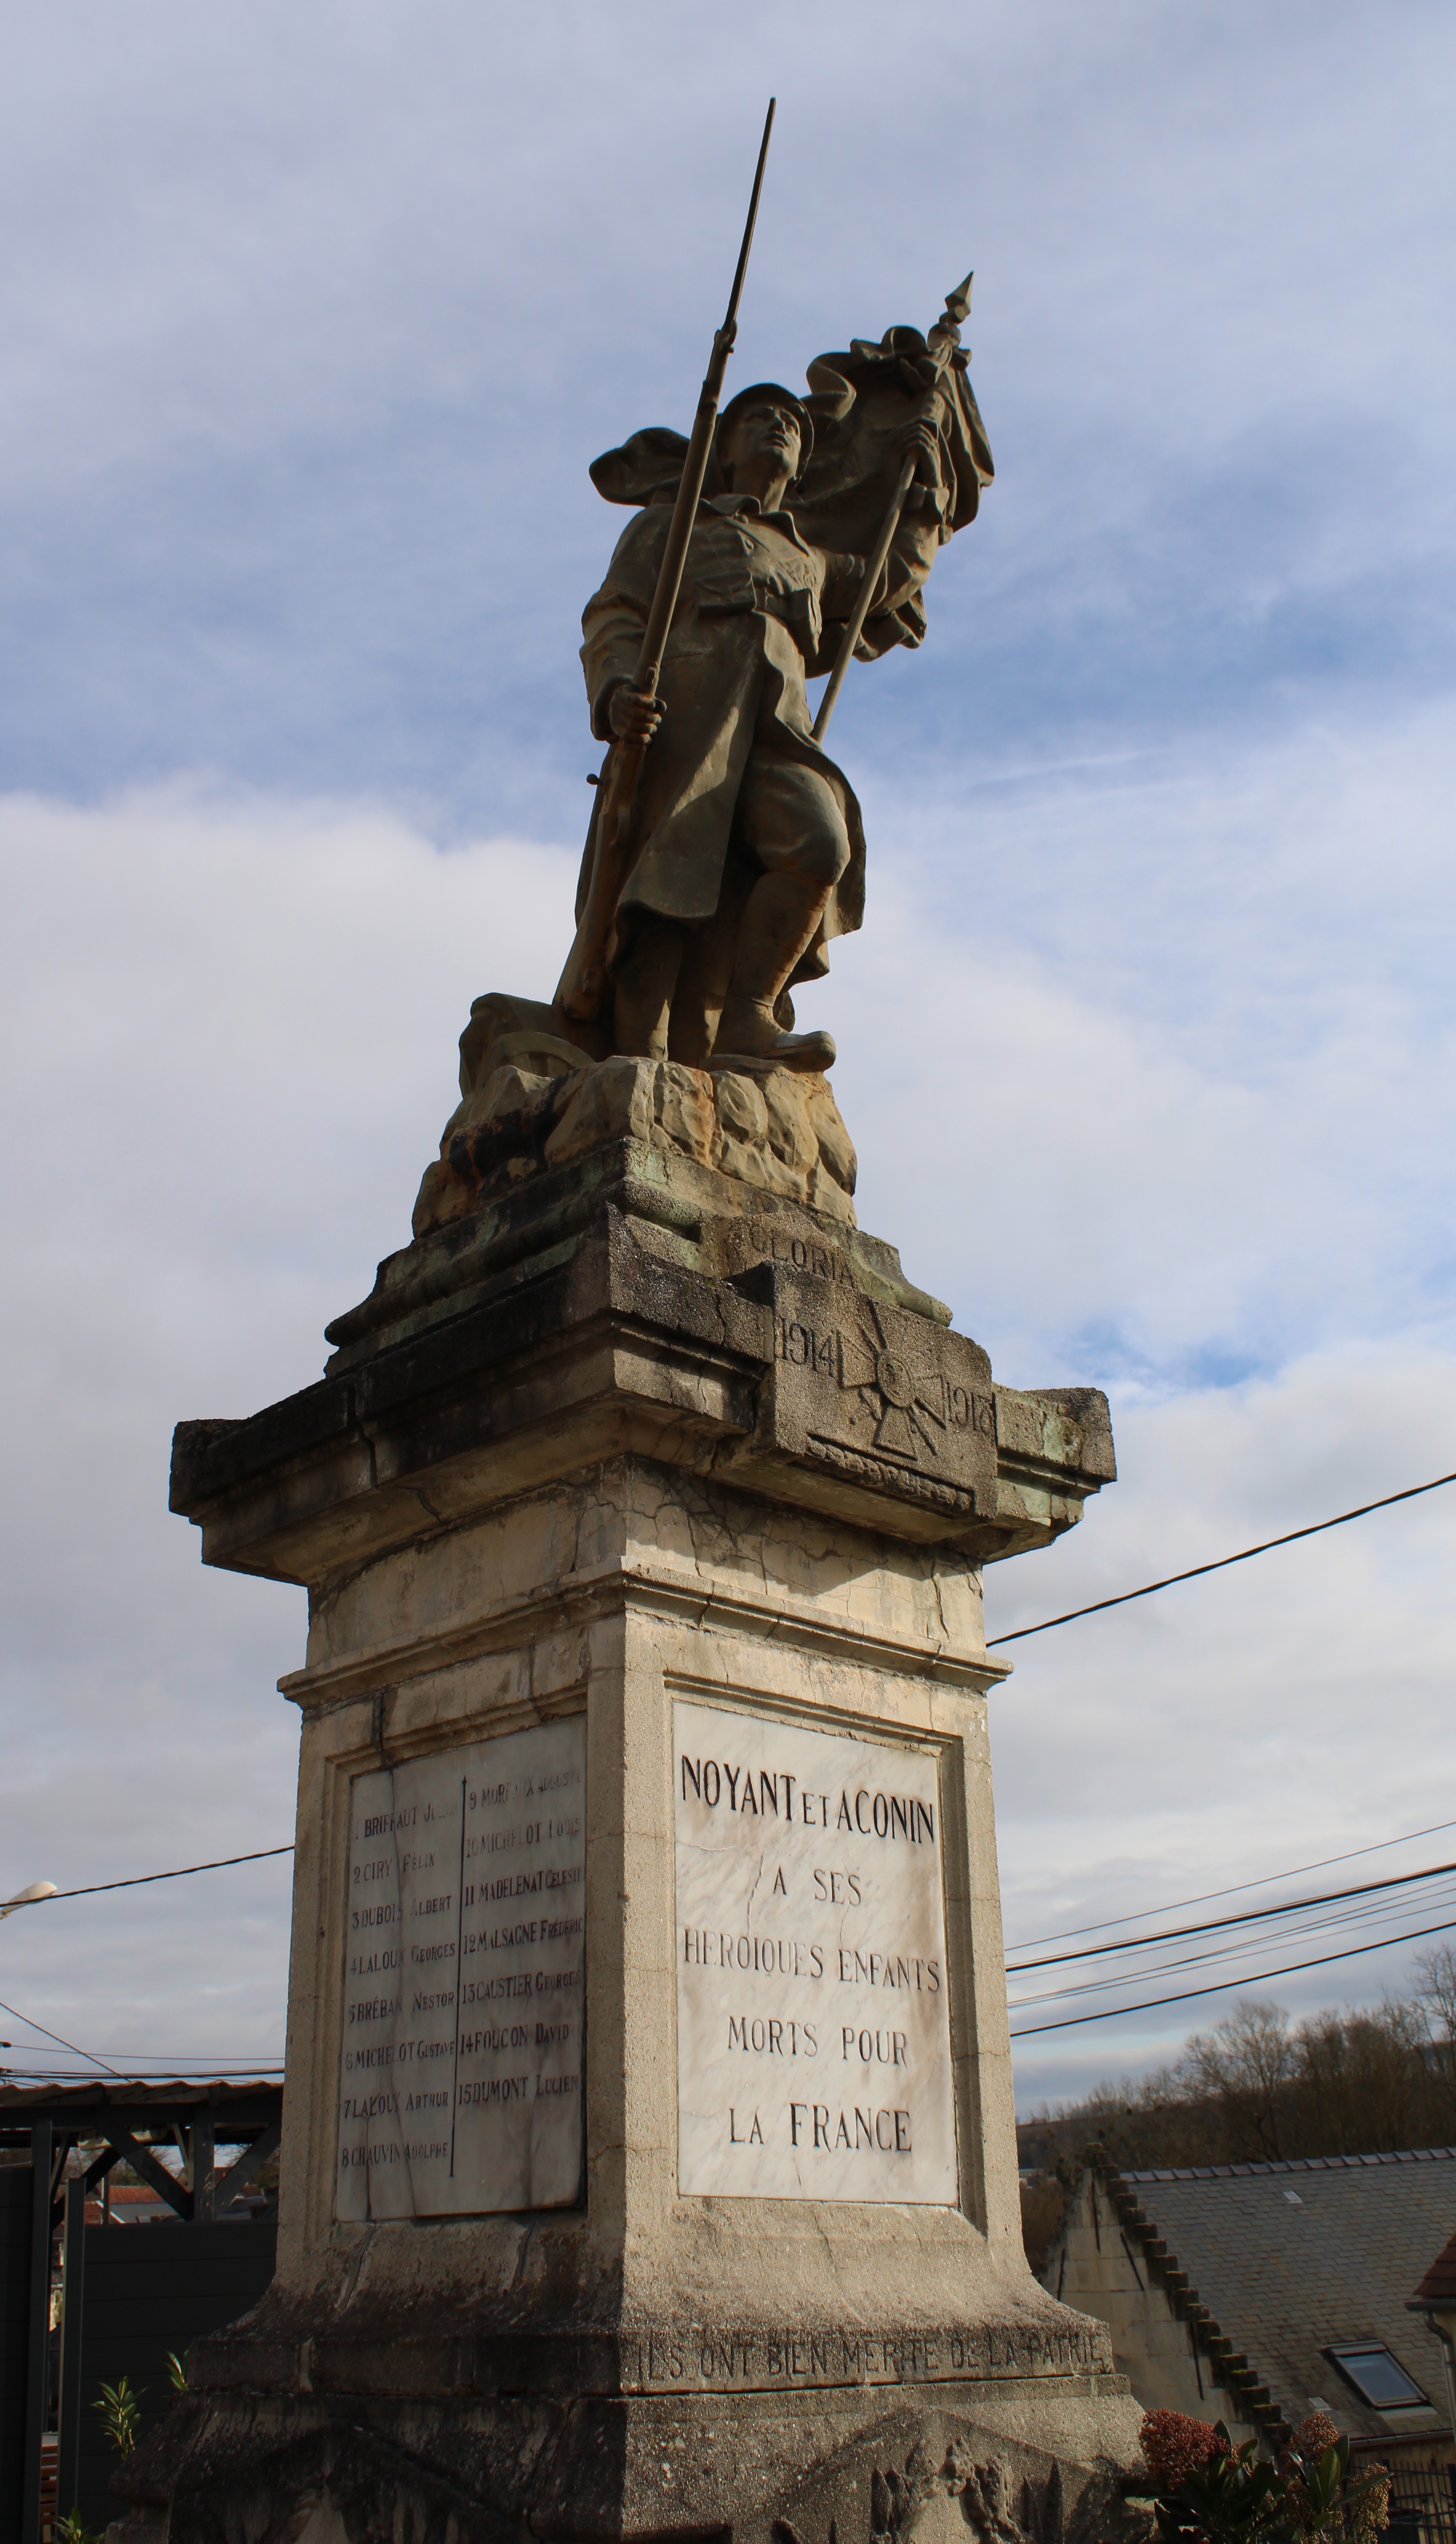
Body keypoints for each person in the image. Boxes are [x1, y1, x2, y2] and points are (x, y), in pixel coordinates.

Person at [577, 382, 946, 1068]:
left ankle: (749, 1013)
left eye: (791, 423)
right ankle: (640, 1060)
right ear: (722, 447)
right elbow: (614, 614)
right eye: (758, 417)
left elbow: (891, 573)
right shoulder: (673, 523)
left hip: (777, 730)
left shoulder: (806, 554)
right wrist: (617, 689)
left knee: (819, 844)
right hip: (686, 718)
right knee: (663, 887)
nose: (778, 426)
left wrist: (922, 489)